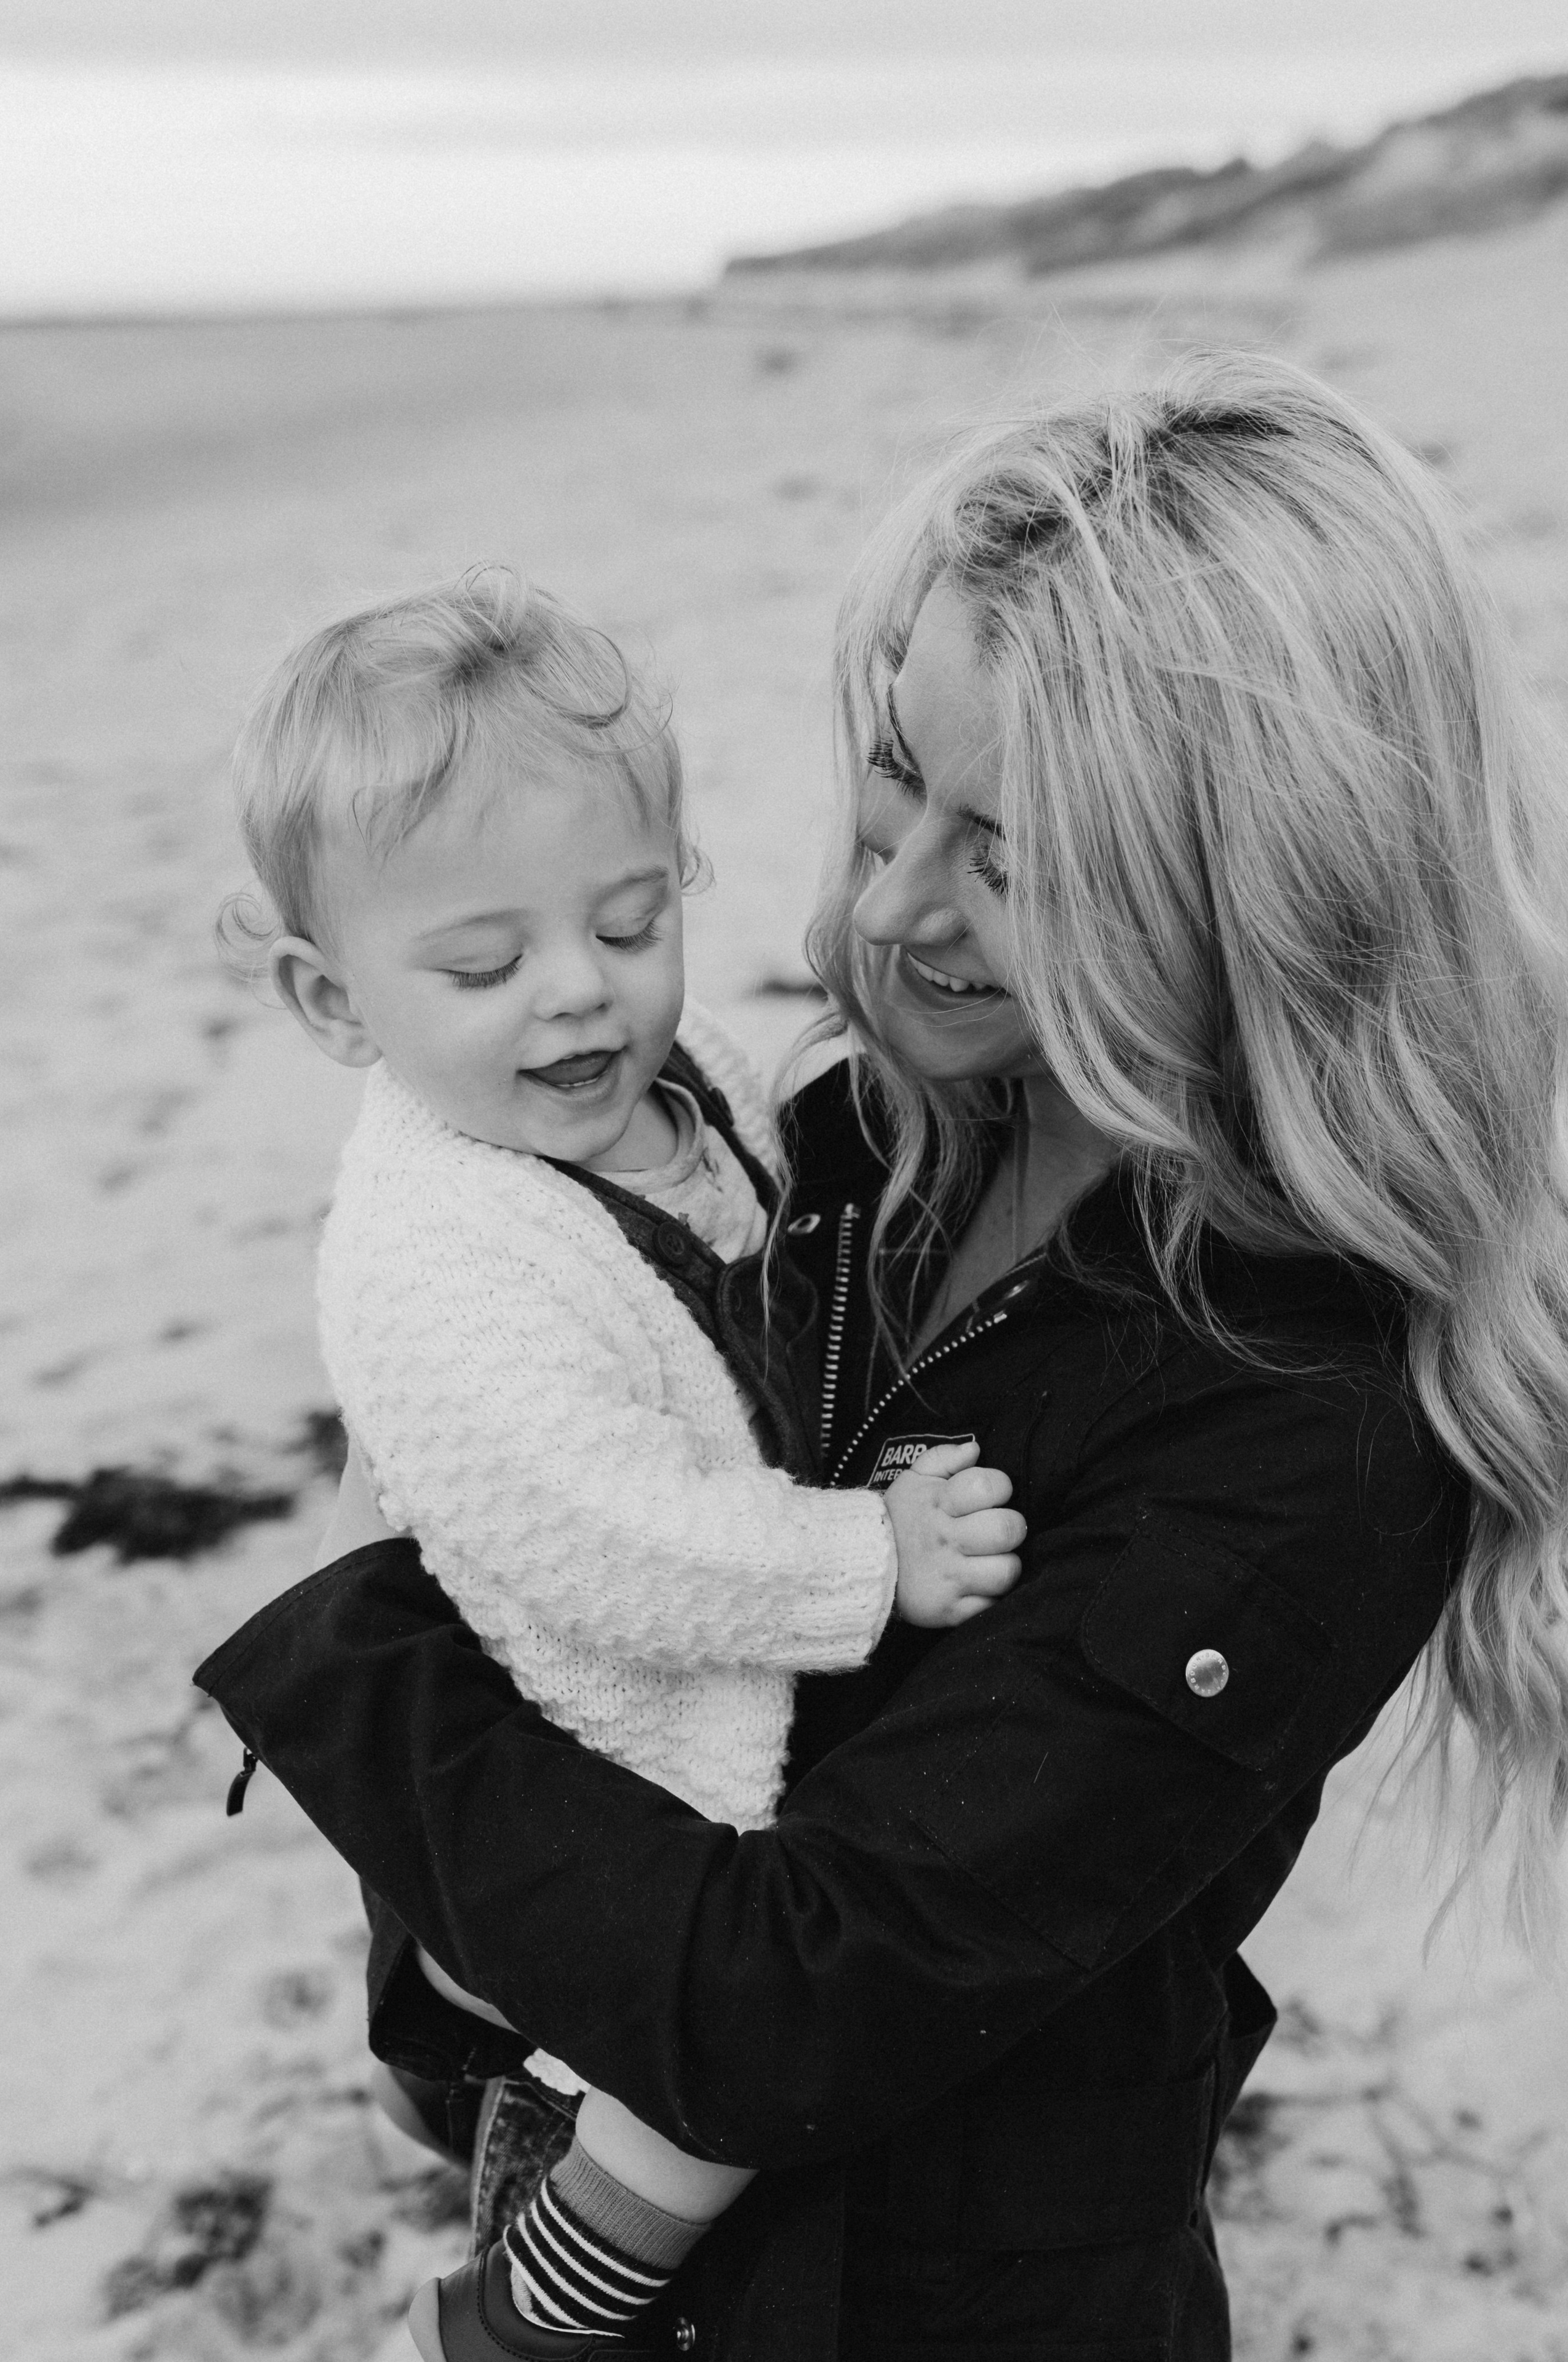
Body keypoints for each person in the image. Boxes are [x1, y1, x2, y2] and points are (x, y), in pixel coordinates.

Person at [198, 353, 1568, 2361]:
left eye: (1016, 858)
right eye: (900, 773)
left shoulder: (1302, 1425)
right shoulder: (855, 1141)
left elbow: (783, 2007)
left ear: (1243, 887)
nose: (894, 899)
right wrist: (444, 2007)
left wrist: (351, 1647)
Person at [215, 568, 1026, 2358]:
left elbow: (770, 1221)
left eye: (633, 920)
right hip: (613, 1741)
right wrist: (860, 1562)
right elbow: (606, 1537)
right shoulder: (438, 1253)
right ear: (331, 1000)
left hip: (704, 1670)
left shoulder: (673, 1088)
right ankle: (539, 2301)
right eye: (486, 966)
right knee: (686, 2075)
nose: (581, 996)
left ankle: (449, 2112)